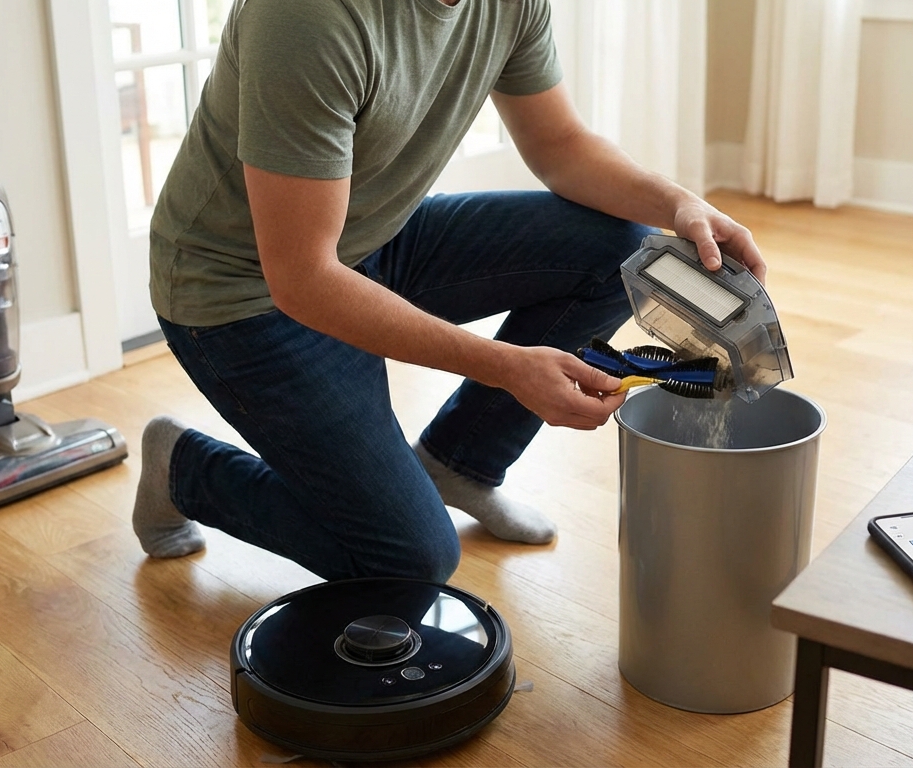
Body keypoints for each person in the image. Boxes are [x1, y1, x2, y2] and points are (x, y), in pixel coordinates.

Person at [132, 0, 765, 584]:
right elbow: (303, 278)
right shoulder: (307, 15)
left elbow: (560, 146)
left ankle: (459, 462)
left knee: (621, 250)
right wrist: (505, 366)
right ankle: (183, 469)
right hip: (242, 295)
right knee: (410, 559)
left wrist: (679, 205)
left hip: (375, 238)